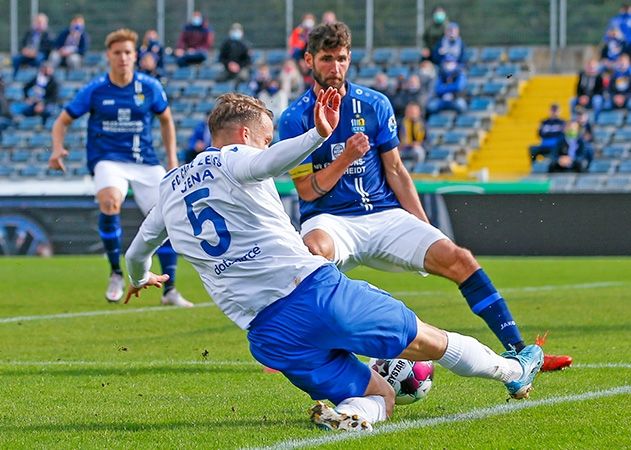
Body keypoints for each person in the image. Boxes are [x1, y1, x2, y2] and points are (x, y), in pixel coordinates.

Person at [123, 90, 544, 431]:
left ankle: (353, 417)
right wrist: (317, 136)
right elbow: (266, 161)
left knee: (382, 397)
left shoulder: (168, 189)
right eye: (266, 137)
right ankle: (513, 371)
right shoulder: (235, 157)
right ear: (244, 134)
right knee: (430, 341)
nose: (267, 145)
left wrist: (142, 278)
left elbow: (136, 251)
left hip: (269, 337)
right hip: (313, 294)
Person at [277, 22, 571, 372]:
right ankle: (303, 350)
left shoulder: (374, 104)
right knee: (311, 253)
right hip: (330, 219)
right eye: (326, 59)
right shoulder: (294, 118)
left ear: (350, 58)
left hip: (384, 214)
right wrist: (345, 159)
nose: (335, 68)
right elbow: (308, 190)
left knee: (459, 258)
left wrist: (424, 226)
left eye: (341, 58)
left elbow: (397, 171)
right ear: (309, 60)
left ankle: (521, 352)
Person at [48, 28, 192, 308]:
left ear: (135, 55)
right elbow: (62, 120)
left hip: (145, 162)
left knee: (168, 216)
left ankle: (170, 290)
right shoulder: (96, 89)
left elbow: (166, 120)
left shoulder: (149, 87)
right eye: (117, 53)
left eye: (128, 52)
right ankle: (115, 272)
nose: (123, 58)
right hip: (108, 159)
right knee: (110, 200)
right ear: (108, 56)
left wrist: (172, 160)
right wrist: (57, 149)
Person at [398, 101, 426, 170]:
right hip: (402, 148)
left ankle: (418, 170)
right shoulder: (400, 124)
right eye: (409, 111)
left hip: (416, 148)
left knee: (419, 152)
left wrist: (419, 144)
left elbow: (428, 141)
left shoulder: (423, 125)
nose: (412, 113)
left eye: (413, 111)